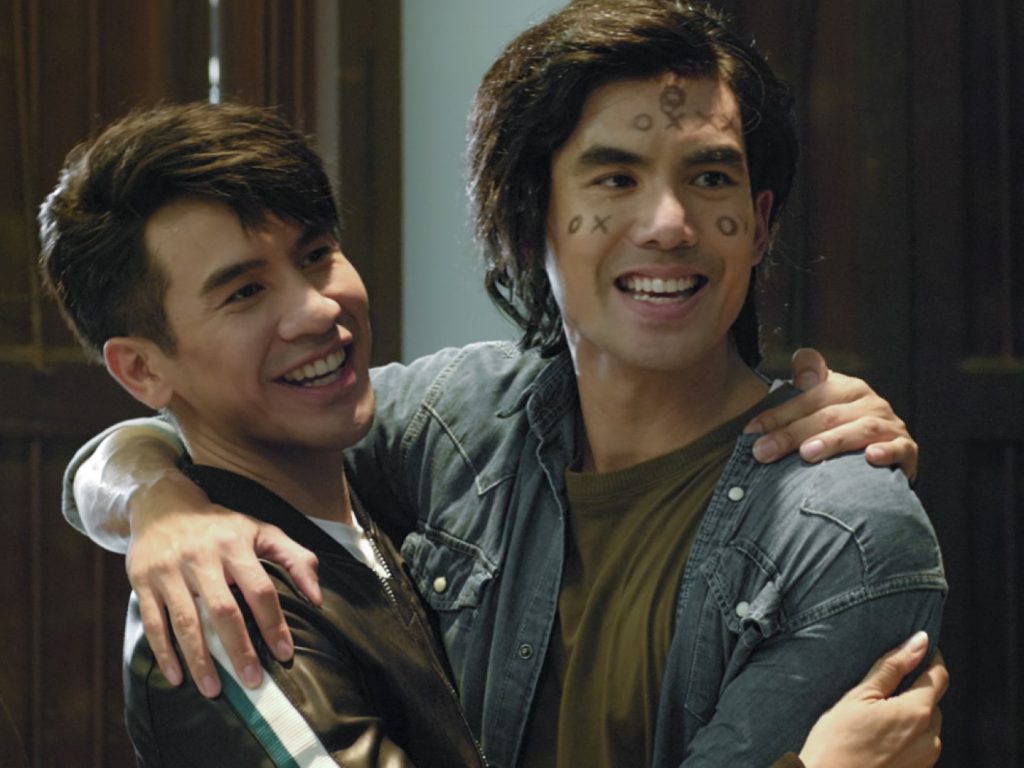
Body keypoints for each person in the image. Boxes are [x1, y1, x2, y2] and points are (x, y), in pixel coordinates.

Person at [60, 2, 948, 766]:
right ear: (530, 222)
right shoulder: (458, 422)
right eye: (616, 178)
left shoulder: (845, 529)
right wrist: (157, 500)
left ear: (757, 225)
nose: (669, 224)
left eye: (709, 177)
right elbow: (213, 432)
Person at [38, 102, 487, 766]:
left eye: (317, 255)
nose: (317, 310)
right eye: (244, 292)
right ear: (143, 369)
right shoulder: (227, 605)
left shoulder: (383, 485)